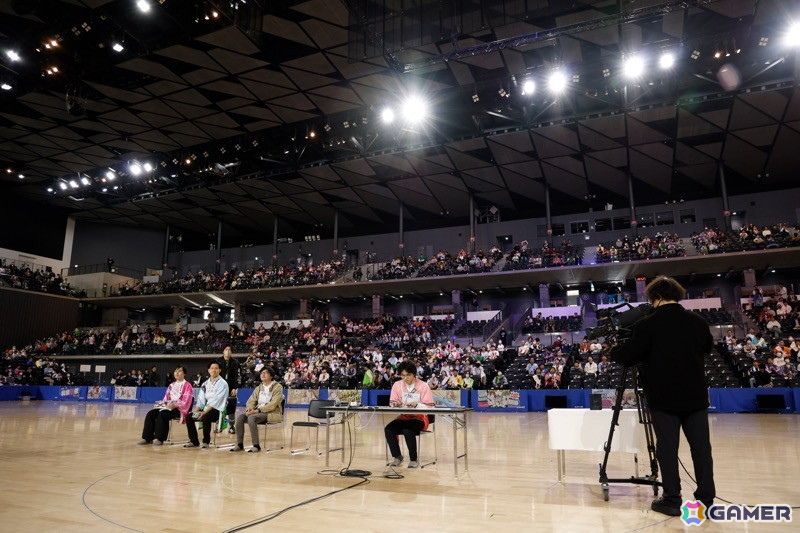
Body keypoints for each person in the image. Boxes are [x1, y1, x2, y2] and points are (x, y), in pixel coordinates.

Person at [613, 276, 715, 516]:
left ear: (655, 297)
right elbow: (707, 349)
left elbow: (627, 357)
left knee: (667, 450)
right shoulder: (698, 322)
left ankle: (672, 499)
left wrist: (617, 348)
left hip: (664, 399)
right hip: (695, 397)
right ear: (676, 295)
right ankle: (706, 501)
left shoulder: (647, 324)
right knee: (701, 449)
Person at [385, 361, 435, 469]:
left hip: (420, 418)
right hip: (404, 417)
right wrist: (396, 404)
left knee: (408, 430)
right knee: (388, 429)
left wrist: (417, 405)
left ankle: (413, 460)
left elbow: (430, 407)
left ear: (414, 374)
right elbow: (391, 403)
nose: (405, 378)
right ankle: (397, 456)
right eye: (402, 375)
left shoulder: (423, 386)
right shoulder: (397, 385)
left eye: (408, 375)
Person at [230, 366, 283, 453]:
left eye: (265, 373)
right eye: (262, 373)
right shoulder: (259, 388)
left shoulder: (277, 387)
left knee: (252, 418)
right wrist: (249, 410)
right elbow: (251, 401)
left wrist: (258, 411)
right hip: (256, 412)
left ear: (271, 376)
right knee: (240, 417)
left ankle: (256, 445)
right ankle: (239, 444)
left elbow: (273, 404)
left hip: (271, 413)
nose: (263, 374)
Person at [138, 365, 193, 445]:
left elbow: (187, 401)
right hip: (169, 407)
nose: (177, 372)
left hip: (179, 409)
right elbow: (166, 398)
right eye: (175, 371)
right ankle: (147, 438)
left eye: (180, 371)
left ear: (184, 374)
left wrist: (175, 405)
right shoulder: (171, 385)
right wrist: (162, 404)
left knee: (163, 414)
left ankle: (160, 438)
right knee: (151, 413)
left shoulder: (188, 385)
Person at [185, 361, 229, 449]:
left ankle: (206, 441)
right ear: (208, 370)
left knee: (206, 417)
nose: (214, 370)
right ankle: (194, 441)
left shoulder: (223, 383)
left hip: (218, 409)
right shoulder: (205, 384)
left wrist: (204, 412)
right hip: (206, 408)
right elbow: (201, 399)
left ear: (220, 370)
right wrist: (196, 411)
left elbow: (217, 400)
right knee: (189, 417)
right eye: (212, 368)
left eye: (216, 368)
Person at [218, 345, 240, 434]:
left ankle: (231, 426)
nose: (228, 351)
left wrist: (235, 387)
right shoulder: (218, 361)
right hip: (219, 388)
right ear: (223, 351)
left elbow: (237, 376)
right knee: (218, 407)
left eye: (229, 349)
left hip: (231, 388)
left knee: (231, 408)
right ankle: (219, 425)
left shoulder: (235, 362)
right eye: (226, 349)